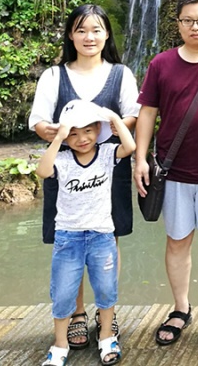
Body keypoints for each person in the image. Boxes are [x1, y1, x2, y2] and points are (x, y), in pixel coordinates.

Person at [29, 4, 139, 348]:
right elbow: (38, 120)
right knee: (70, 240)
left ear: (107, 34)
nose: (89, 37)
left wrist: (106, 129)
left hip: (110, 165)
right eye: (81, 30)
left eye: (96, 30)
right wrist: (52, 131)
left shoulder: (121, 74)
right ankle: (76, 314)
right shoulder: (54, 76)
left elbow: (133, 115)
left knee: (111, 236)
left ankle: (107, 314)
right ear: (70, 35)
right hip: (65, 170)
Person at [134, 0, 198, 353]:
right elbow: (147, 112)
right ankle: (180, 308)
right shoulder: (161, 64)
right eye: (188, 20)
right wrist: (140, 158)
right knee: (177, 241)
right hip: (171, 171)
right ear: (177, 24)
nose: (195, 26)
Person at [37, 100, 136, 366]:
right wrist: (58, 138)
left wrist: (114, 118)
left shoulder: (106, 154)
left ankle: (106, 337)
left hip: (101, 235)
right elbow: (43, 171)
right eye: (74, 133)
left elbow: (130, 147)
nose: (82, 139)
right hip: (68, 237)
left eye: (89, 131)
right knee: (63, 292)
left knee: (106, 289)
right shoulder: (61, 159)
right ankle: (60, 344)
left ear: (98, 130)